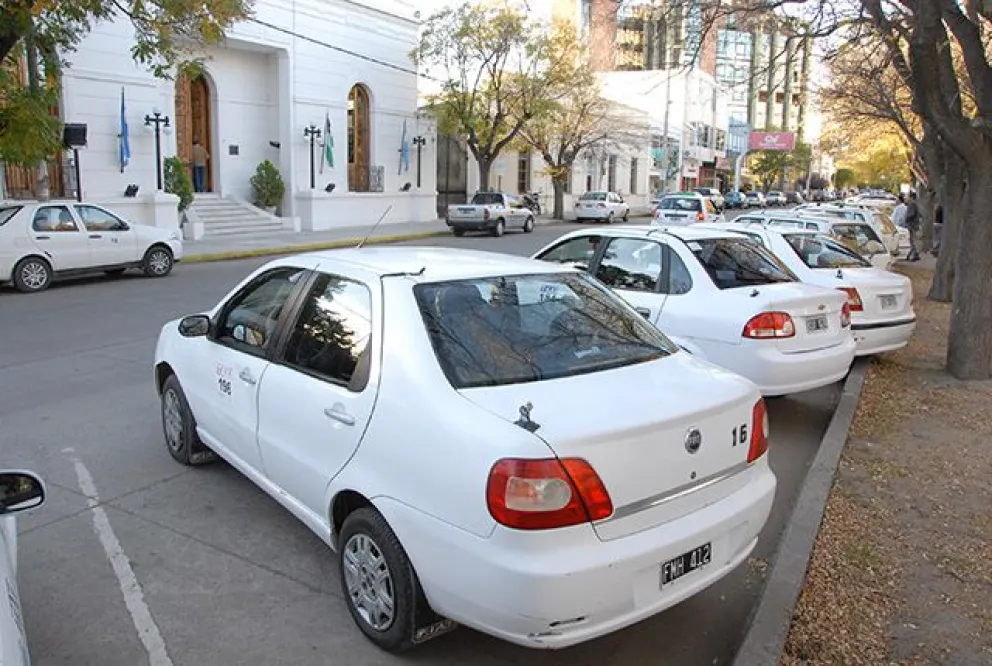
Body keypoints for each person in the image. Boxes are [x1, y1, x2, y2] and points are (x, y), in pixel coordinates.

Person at [904, 191, 921, 261]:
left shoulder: (912, 204)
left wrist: (906, 218)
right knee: (913, 240)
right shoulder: (916, 204)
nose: (906, 198)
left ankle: (914, 254)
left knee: (912, 240)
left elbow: (911, 214)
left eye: (908, 196)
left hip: (911, 225)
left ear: (911, 197)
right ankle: (914, 254)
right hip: (914, 224)